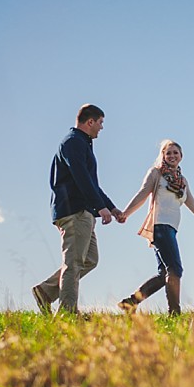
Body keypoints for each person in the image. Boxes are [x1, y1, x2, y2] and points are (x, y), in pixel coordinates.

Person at [32, 104, 124, 314]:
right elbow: (80, 177)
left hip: (84, 212)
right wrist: (100, 207)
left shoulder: (82, 143)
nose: (101, 128)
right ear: (89, 121)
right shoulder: (73, 143)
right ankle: (67, 314)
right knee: (73, 263)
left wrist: (111, 207)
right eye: (100, 123)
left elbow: (92, 182)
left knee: (90, 259)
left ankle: (45, 292)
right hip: (73, 210)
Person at [117, 139, 194, 315]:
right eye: (168, 153)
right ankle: (174, 313)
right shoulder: (156, 173)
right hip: (160, 226)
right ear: (163, 156)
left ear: (181, 156)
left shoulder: (182, 181)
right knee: (175, 270)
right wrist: (125, 213)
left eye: (175, 153)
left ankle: (130, 303)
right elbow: (142, 194)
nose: (172, 156)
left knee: (164, 274)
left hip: (171, 229)